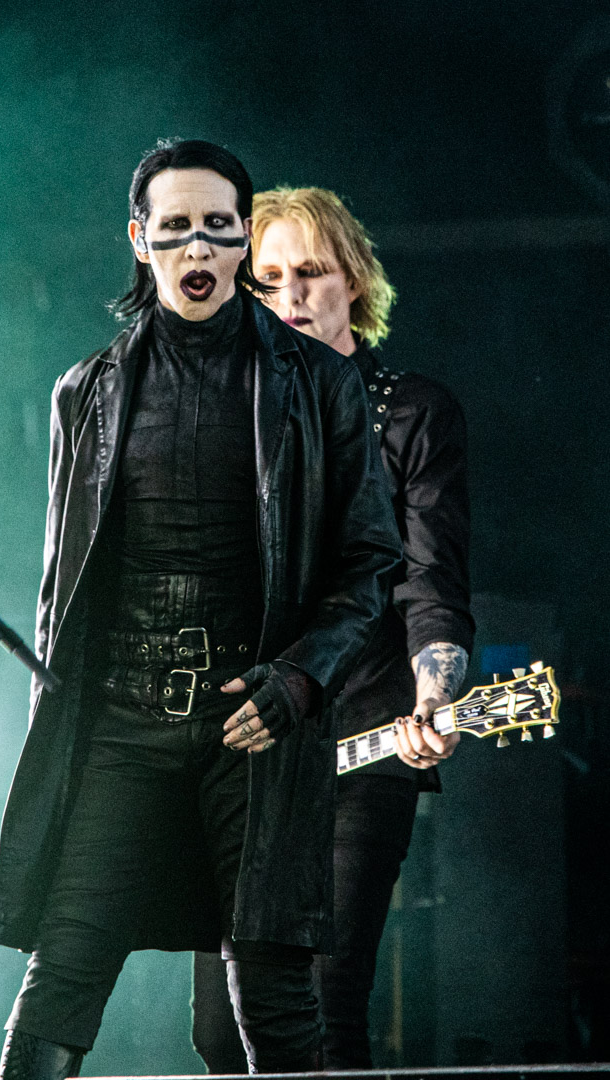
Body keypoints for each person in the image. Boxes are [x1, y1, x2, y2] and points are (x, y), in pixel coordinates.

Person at [0, 145, 402, 1079]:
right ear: (142, 241)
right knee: (63, 971)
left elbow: (372, 558)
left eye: (219, 226)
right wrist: (62, 719)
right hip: (121, 725)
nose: (199, 247)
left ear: (243, 239)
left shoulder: (317, 382)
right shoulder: (86, 391)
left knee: (274, 998)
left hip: (252, 725)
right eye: (175, 228)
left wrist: (299, 678)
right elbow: (63, 586)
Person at [191, 186, 474, 1072]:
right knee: (220, 1035)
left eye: (311, 273)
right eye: (267, 279)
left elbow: (430, 578)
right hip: (242, 755)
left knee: (319, 1006)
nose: (291, 296)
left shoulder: (413, 413)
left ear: (353, 280)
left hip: (364, 738)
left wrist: (435, 693)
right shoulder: (221, 414)